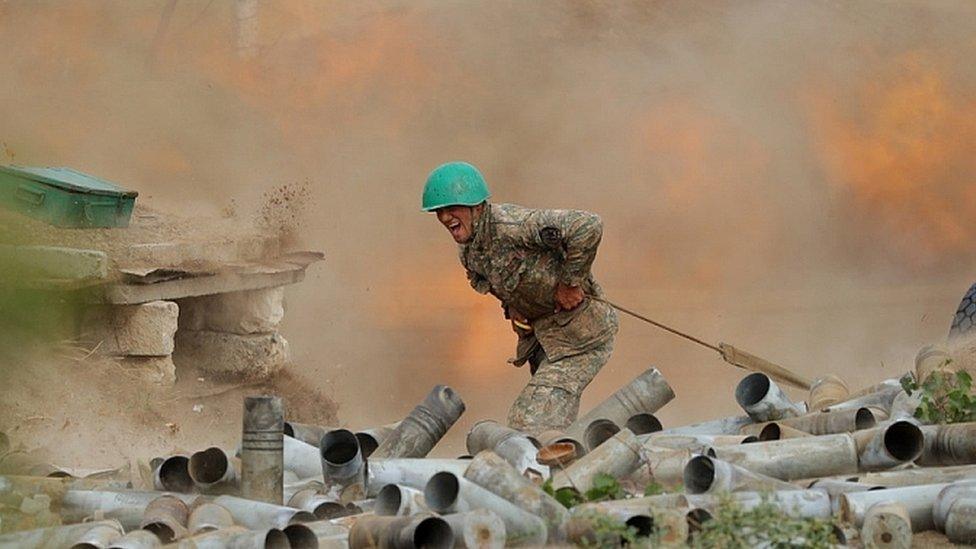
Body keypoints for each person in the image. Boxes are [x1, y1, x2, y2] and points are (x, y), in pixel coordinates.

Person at [421, 161, 618, 434]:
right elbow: (498, 281)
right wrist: (514, 307)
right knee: (553, 424)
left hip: (580, 337)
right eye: (438, 212)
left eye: (451, 208)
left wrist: (570, 283)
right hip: (545, 342)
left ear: (477, 206)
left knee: (530, 422)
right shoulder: (470, 252)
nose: (444, 218)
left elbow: (587, 225)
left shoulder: (513, 226)